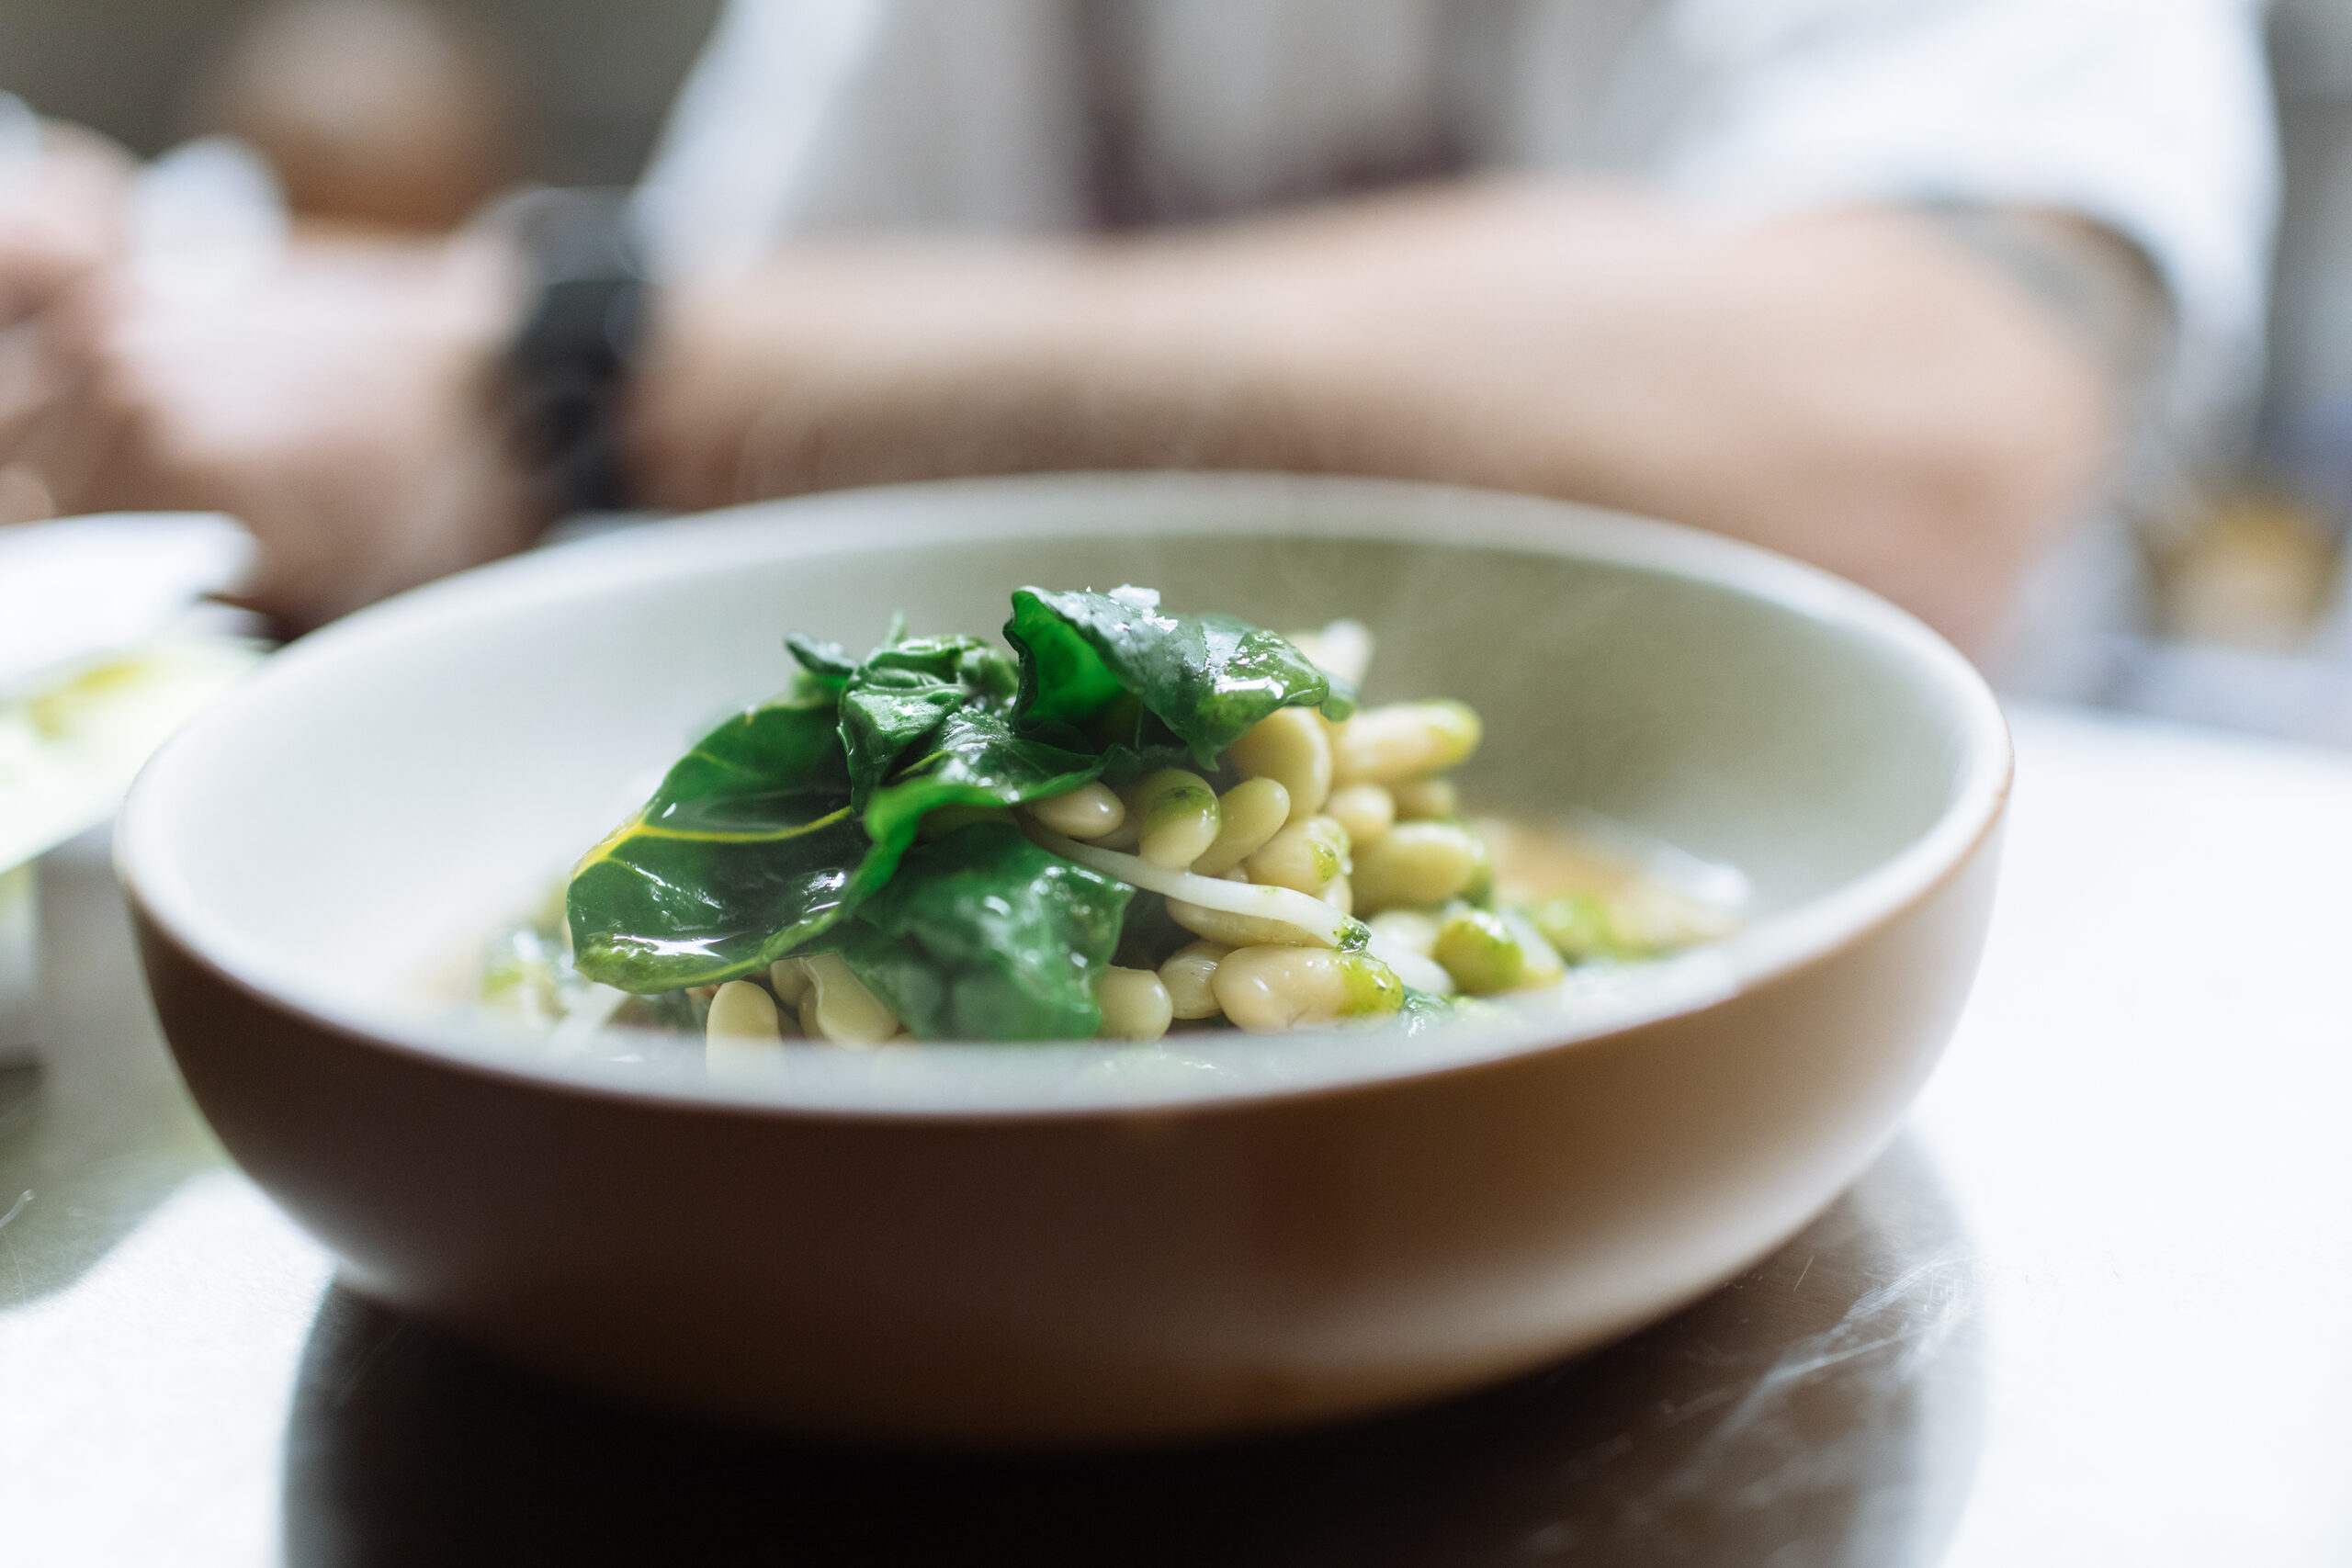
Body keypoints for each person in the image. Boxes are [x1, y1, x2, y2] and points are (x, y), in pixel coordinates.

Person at [0, 0, 2276, 665]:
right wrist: (188, 380)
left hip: (1882, 1092)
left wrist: (573, 347)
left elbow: (1897, 434)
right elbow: (626, 563)